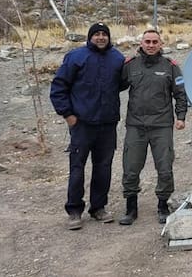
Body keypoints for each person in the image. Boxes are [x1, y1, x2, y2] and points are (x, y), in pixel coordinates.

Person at [50, 22, 124, 230]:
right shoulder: (76, 57)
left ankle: (98, 208)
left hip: (107, 124)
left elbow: (122, 84)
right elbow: (59, 87)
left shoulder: (117, 58)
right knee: (77, 168)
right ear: (90, 37)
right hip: (82, 124)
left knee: (103, 167)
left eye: (104, 34)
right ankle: (74, 210)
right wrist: (68, 114)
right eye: (96, 34)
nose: (101, 37)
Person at [119, 29, 188, 225]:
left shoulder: (170, 66)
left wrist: (181, 116)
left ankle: (163, 205)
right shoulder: (130, 65)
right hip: (136, 125)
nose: (150, 45)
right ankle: (131, 208)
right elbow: (113, 87)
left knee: (165, 167)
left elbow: (180, 93)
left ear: (161, 44)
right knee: (130, 168)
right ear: (141, 43)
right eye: (147, 41)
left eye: (154, 42)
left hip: (161, 125)